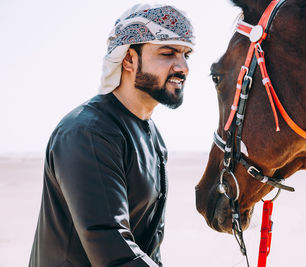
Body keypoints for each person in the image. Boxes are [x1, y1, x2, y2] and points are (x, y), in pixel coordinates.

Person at [29, 4, 194, 267]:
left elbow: (148, 247)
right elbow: (111, 245)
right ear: (128, 59)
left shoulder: (151, 135)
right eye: (167, 52)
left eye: (186, 54)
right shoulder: (87, 133)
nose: (182, 66)